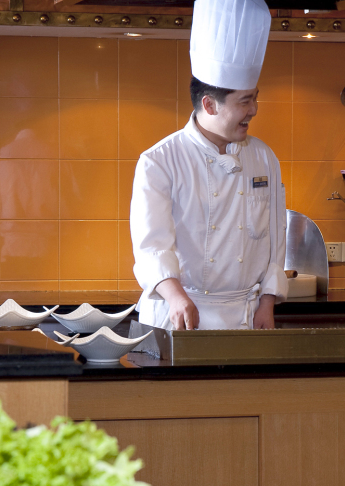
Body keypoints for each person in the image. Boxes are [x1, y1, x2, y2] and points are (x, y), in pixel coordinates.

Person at [130, 0, 286, 331]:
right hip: (179, 318)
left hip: (244, 318)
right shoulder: (160, 161)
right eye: (245, 101)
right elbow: (151, 247)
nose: (254, 109)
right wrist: (175, 297)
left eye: (255, 97)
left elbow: (276, 239)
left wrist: (267, 303)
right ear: (209, 104)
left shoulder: (264, 158)